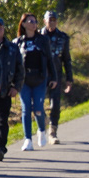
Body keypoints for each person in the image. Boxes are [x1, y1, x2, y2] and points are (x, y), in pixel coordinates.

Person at [14, 12, 57, 151]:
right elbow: (14, 64)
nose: (33, 23)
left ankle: (41, 130)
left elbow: (50, 60)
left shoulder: (43, 40)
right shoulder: (18, 42)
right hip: (24, 80)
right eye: (30, 21)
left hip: (40, 79)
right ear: (24, 24)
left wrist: (54, 78)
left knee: (38, 108)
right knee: (26, 109)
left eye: (35, 21)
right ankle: (27, 139)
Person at [0, 16, 25, 161]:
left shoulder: (12, 48)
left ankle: (0, 148)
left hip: (5, 91)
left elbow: (20, 70)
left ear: (3, 29)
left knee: (1, 120)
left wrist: (16, 87)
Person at [40, 10, 73, 145]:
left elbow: (67, 59)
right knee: (36, 104)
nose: (51, 22)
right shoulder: (38, 36)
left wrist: (69, 79)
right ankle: (43, 122)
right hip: (40, 75)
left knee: (55, 104)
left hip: (56, 75)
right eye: (49, 20)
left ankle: (52, 132)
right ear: (44, 21)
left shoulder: (63, 37)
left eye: (54, 20)